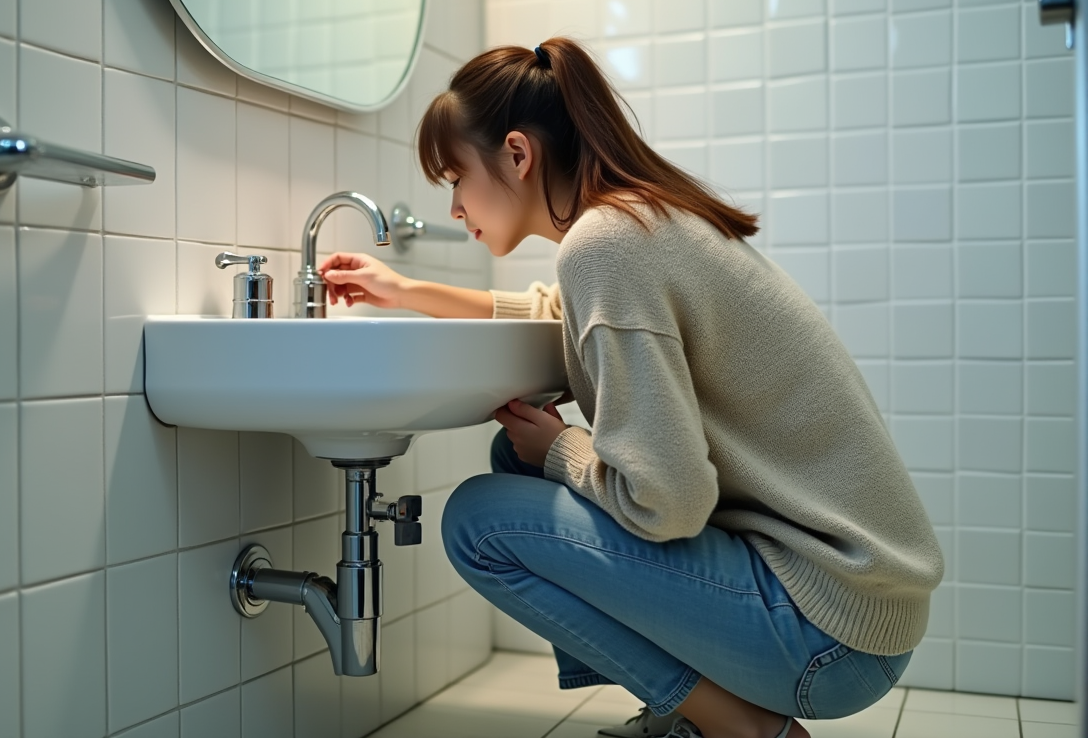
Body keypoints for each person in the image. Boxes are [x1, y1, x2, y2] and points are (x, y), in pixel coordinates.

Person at [317, 37, 943, 738]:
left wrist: (563, 450)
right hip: (850, 606)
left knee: (477, 524)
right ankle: (688, 713)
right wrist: (405, 291)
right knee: (513, 460)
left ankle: (736, 729)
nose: (456, 208)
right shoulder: (635, 220)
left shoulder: (604, 245)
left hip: (826, 634)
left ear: (518, 155)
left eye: (456, 178)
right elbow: (560, 317)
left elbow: (669, 503)